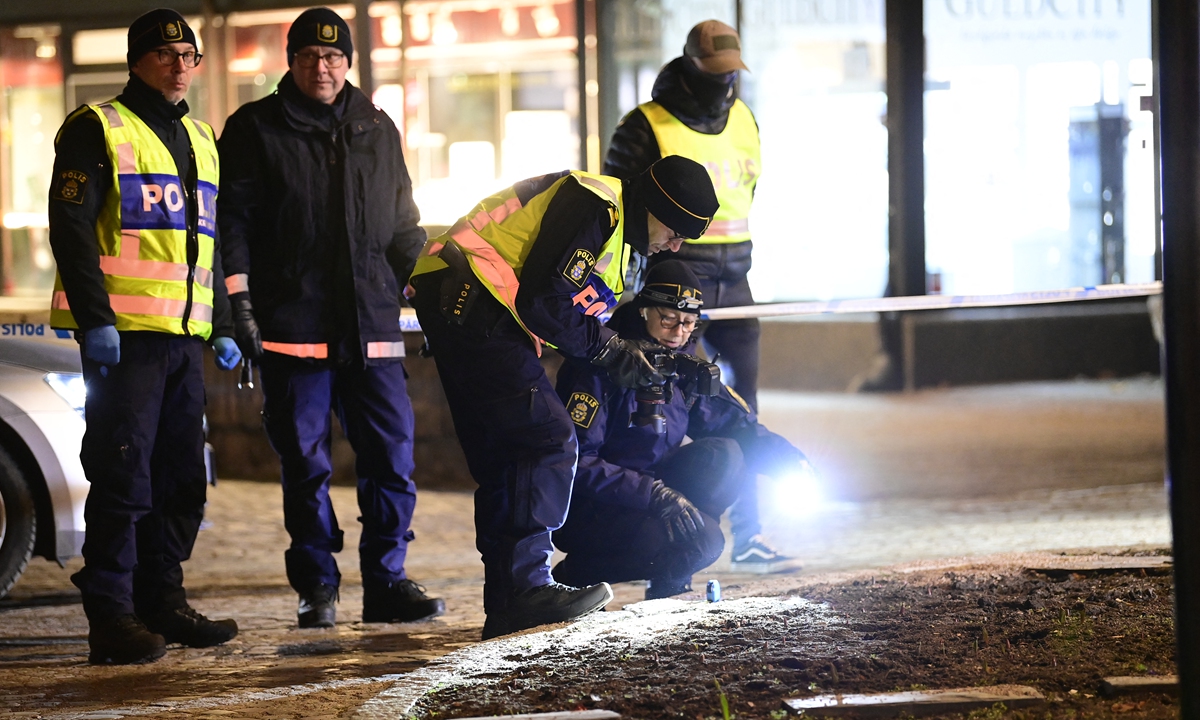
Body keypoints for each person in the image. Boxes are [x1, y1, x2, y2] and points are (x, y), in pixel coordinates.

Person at [408, 156, 719, 639]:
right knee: (549, 438)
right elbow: (542, 300)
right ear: (654, 205)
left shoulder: (616, 242)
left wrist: (629, 353)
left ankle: (509, 602)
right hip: (473, 298)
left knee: (503, 459)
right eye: (675, 231)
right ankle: (529, 587)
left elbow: (567, 313)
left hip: (464, 301)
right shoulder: (596, 204)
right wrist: (609, 349)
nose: (673, 245)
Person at [216, 6, 442, 629]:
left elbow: (403, 227)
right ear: (291, 62)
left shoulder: (377, 126)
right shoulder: (254, 130)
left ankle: (386, 581)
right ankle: (317, 584)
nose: (323, 67)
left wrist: (429, 285)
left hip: (371, 325)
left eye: (335, 57)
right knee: (306, 465)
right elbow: (230, 226)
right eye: (311, 57)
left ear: (348, 62)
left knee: (392, 458)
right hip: (294, 326)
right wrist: (240, 306)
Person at [47, 8, 242, 664]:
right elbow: (71, 228)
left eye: (188, 55)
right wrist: (96, 318)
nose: (180, 66)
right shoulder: (97, 127)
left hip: (182, 339)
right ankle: (111, 615)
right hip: (125, 339)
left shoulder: (201, 138)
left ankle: (163, 600)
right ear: (137, 61)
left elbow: (205, 244)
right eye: (165, 55)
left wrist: (218, 322)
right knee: (123, 475)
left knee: (182, 478)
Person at [603, 20, 791, 570]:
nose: (725, 82)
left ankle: (752, 535)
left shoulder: (745, 117)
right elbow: (624, 206)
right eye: (715, 73)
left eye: (732, 72)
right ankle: (669, 527)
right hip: (677, 280)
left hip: (738, 279)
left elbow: (749, 191)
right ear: (689, 67)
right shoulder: (645, 125)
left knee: (742, 406)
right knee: (679, 401)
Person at [552, 261, 812, 598]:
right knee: (695, 542)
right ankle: (579, 574)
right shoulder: (604, 363)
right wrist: (654, 494)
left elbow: (735, 425)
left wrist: (789, 462)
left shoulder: (682, 364)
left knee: (724, 455)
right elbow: (576, 463)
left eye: (689, 323)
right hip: (592, 507)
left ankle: (670, 583)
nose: (678, 332)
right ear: (644, 310)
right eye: (668, 319)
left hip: (650, 494)